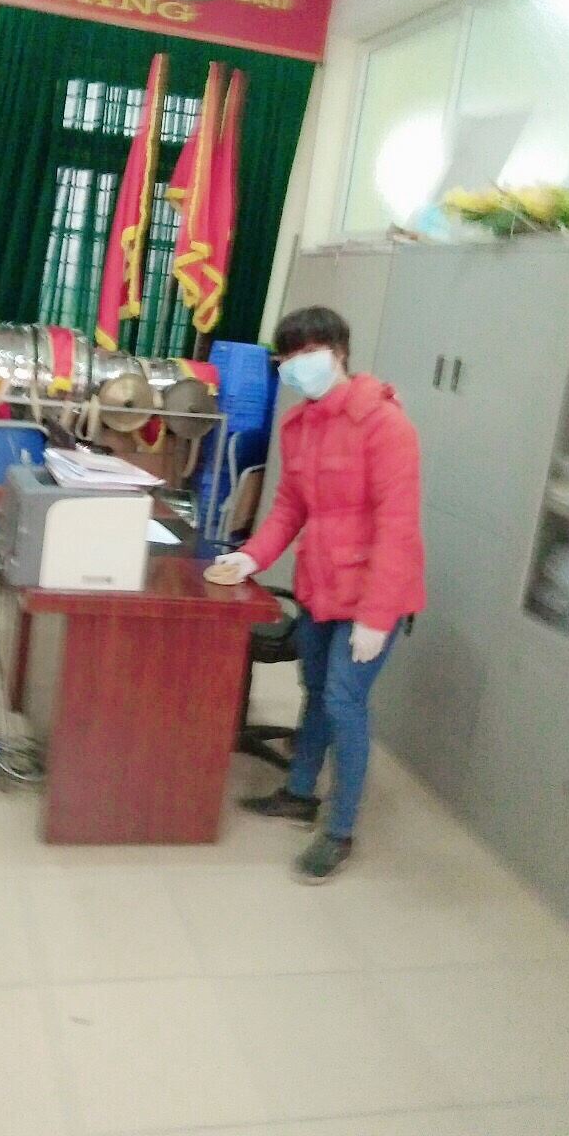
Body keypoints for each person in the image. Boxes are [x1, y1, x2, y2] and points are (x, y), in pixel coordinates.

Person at [216, 306, 425, 883]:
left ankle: (339, 829)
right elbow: (290, 507)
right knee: (314, 691)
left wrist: (377, 616)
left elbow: (398, 528)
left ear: (338, 352)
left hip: (374, 596)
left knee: (343, 701)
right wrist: (251, 556)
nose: (295, 366)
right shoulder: (298, 424)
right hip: (320, 587)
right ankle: (299, 792)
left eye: (306, 353)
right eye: (286, 357)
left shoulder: (385, 425)